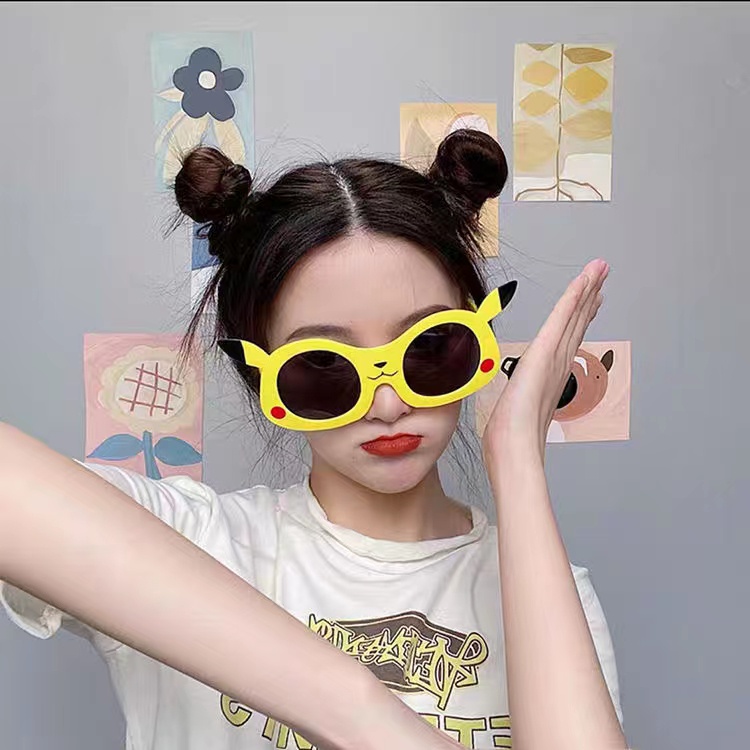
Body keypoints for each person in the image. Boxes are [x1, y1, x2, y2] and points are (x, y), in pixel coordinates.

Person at [0, 129, 629, 750]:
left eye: (431, 347)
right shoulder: (198, 541)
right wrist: (363, 714)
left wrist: (516, 461)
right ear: (262, 378)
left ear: (478, 340)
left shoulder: (543, 586)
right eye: (323, 368)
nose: (389, 405)